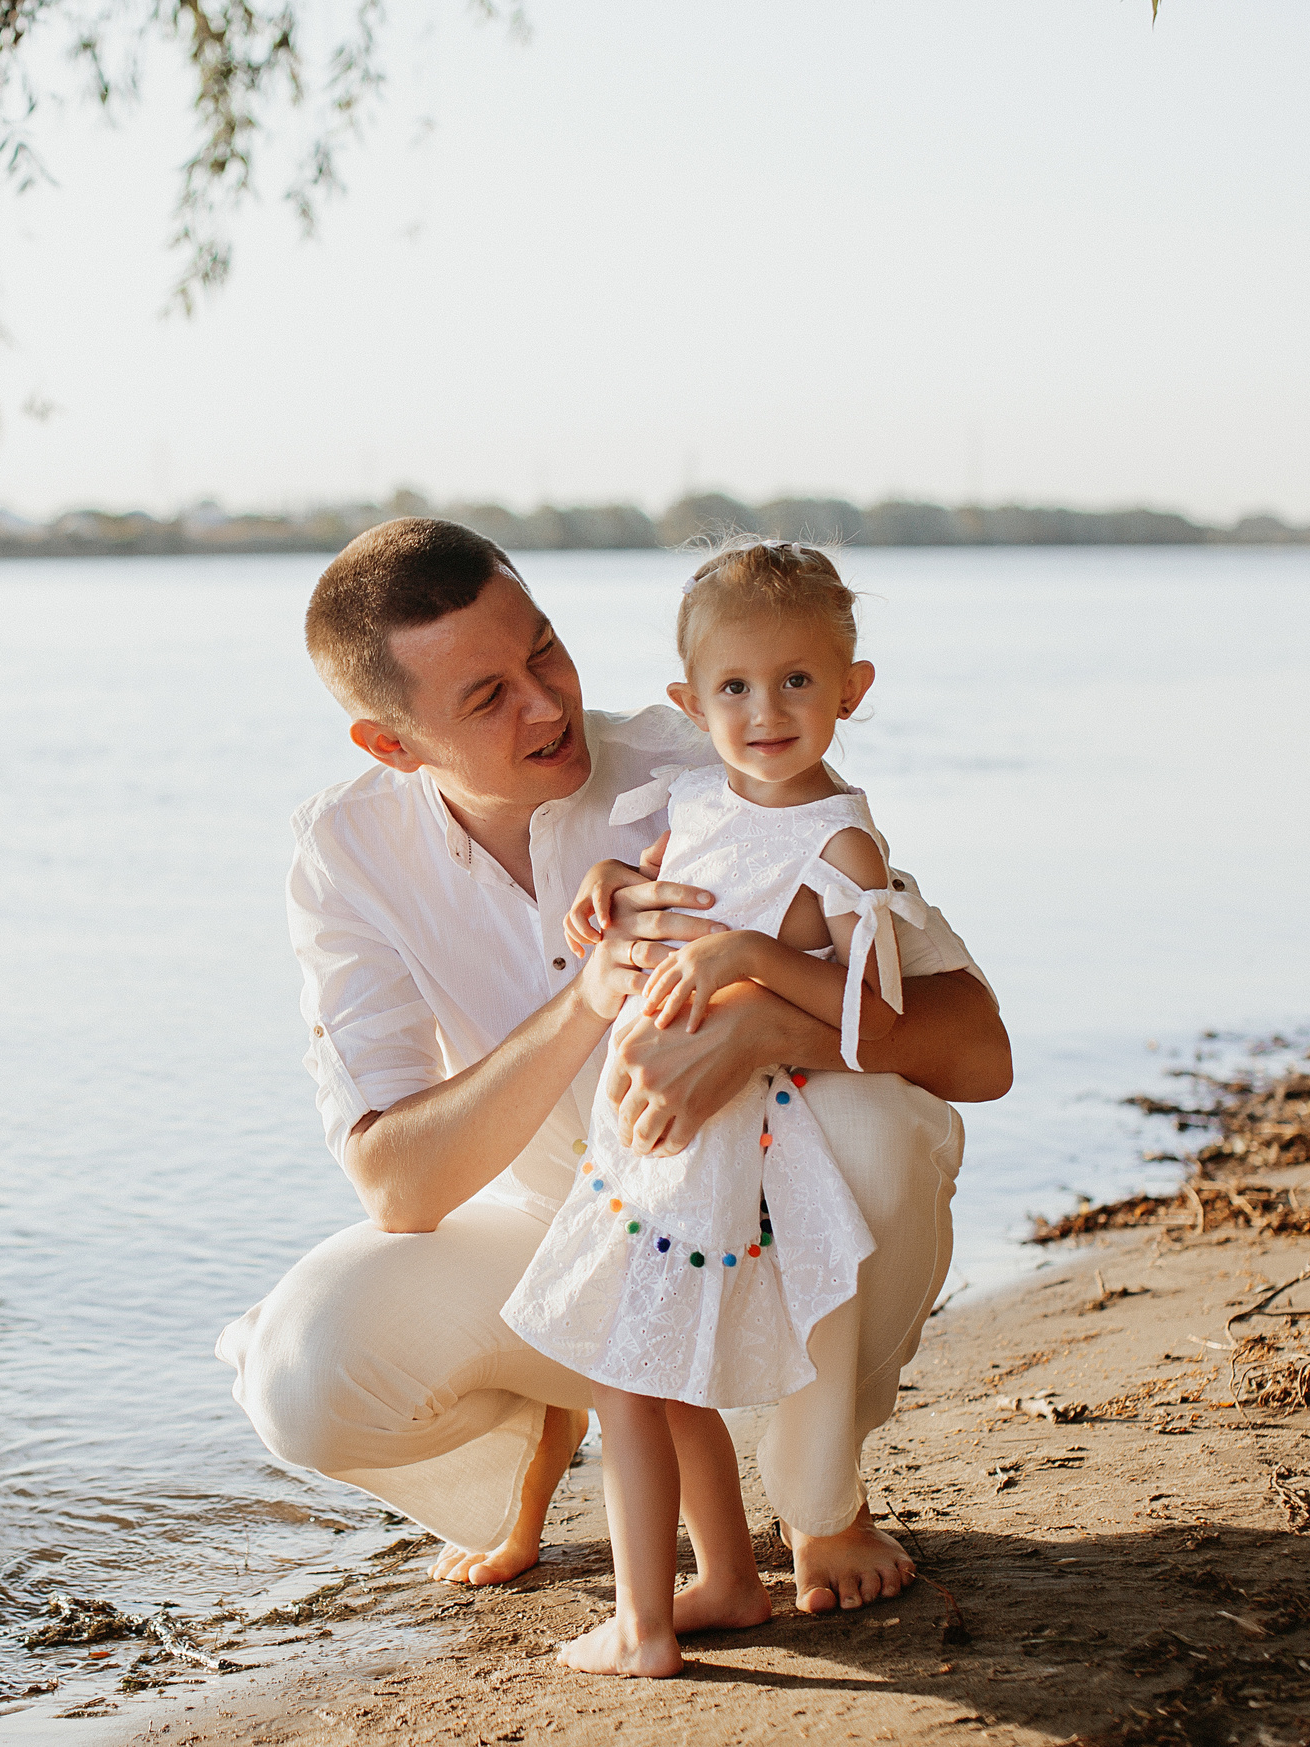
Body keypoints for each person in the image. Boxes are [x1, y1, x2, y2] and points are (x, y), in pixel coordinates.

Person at [215, 518, 1010, 1616]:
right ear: (392, 747)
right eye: (485, 697)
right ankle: (540, 1434)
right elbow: (396, 1183)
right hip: (558, 1234)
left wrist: (767, 1024)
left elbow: (971, 1045)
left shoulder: (717, 753)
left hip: (751, 1223)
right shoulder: (344, 851)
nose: (544, 702)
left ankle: (819, 1490)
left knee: (882, 1126)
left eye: (542, 649)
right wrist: (589, 997)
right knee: (302, 1373)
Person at [504, 539, 948, 1676]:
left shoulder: (839, 839)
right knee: (661, 1374)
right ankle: (727, 1580)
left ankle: (642, 1625)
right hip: (642, 1136)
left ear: (852, 690)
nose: (766, 710)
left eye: (798, 680)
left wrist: (752, 954)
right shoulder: (697, 796)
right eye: (735, 688)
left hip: (714, 1146)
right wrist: (615, 887)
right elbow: (666, 881)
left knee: (626, 1374)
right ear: (687, 703)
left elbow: (872, 1010)